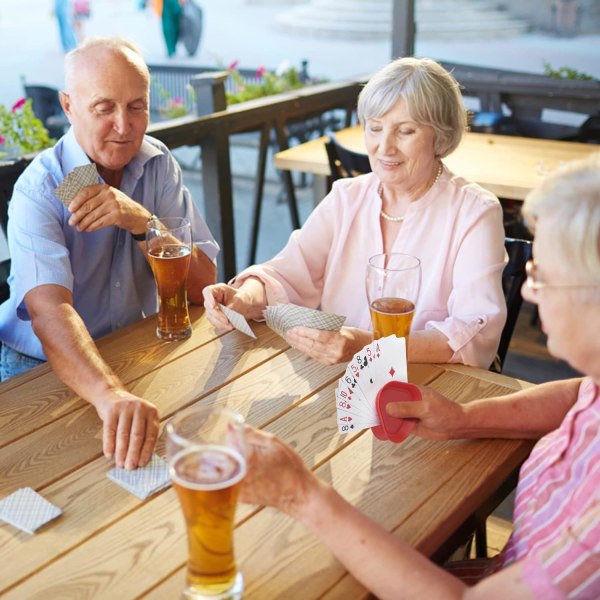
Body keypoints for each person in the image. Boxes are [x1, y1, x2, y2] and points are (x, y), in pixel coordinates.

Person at [240, 153, 600, 598]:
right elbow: (579, 395)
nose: (526, 290)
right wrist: (464, 418)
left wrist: (303, 495)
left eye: (541, 276)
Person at [203, 57, 506, 369]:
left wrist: (364, 346)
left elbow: (473, 334)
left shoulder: (475, 212)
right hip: (336, 381)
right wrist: (244, 299)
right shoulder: (346, 197)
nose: (384, 147)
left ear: (439, 136)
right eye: (374, 128)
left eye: (405, 131)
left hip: (429, 390)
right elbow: (287, 272)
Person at [0, 37, 218, 469]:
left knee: (193, 450)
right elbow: (50, 315)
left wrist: (143, 222)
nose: (124, 126)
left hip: (128, 347)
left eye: (136, 106)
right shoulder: (44, 186)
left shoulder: (158, 163)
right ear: (68, 106)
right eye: (104, 108)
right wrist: (110, 395)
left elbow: (201, 286)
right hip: (36, 364)